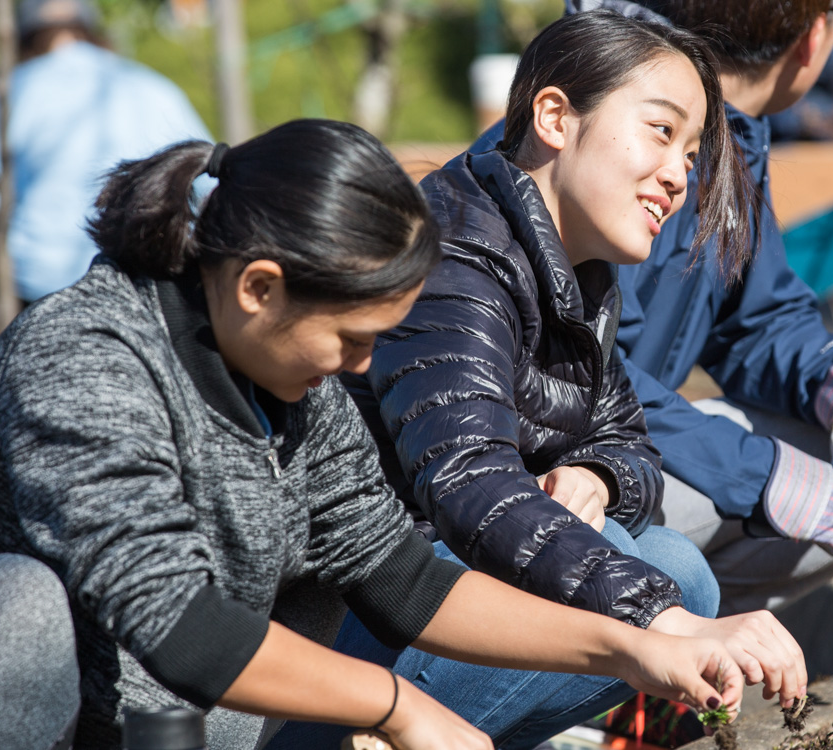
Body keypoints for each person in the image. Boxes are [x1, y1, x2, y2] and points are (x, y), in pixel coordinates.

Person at [0, 119, 749, 750]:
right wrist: (396, 707)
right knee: (19, 613)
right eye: (353, 337)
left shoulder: (300, 389)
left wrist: (634, 646)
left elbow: (402, 582)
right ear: (259, 287)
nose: (364, 367)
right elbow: (175, 620)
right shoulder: (89, 356)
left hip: (145, 706)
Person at [273, 12, 804, 750]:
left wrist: (596, 472)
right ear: (554, 116)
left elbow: (630, 440)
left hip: (413, 593)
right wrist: (661, 622)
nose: (681, 174)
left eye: (691, 152)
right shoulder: (456, 254)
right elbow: (465, 483)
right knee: (667, 582)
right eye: (661, 131)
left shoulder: (577, 269)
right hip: (336, 617)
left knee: (672, 565)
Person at [544, 0, 833, 622]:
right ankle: (627, 664)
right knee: (670, 556)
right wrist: (773, 479)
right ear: (816, 35)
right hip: (550, 476)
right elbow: (583, 377)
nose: (675, 172)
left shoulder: (725, 134)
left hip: (612, 453)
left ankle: (679, 660)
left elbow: (756, 320)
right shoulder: (614, 136)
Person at [0, 0, 209, 306]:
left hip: (40, 288)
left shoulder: (1, 93)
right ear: (91, 29)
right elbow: (207, 184)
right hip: (146, 283)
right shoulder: (153, 88)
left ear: (22, 36)